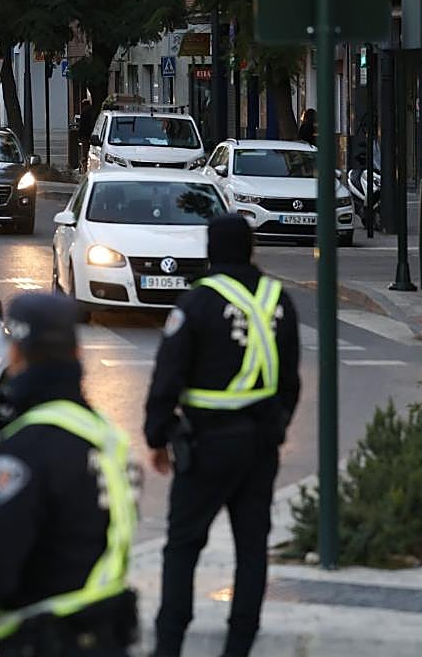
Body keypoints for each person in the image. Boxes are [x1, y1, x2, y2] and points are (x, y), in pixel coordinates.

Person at [0, 292, 139, 657]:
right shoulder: (107, 438)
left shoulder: (25, 451)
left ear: (15, 356)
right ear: (78, 355)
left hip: (49, 640)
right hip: (107, 634)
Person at [144, 214, 301, 657]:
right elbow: (290, 380)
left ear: (210, 250)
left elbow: (167, 376)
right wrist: (276, 427)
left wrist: (158, 436)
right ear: (251, 250)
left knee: (183, 547)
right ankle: (238, 646)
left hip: (206, 445)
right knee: (252, 549)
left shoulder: (197, 303)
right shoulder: (279, 301)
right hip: (260, 446)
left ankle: (169, 645)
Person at [77, 95, 98, 170]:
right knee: (90, 150)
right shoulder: (91, 110)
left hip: (85, 134)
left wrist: (79, 135)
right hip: (90, 133)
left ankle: (85, 167)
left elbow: (82, 125)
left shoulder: (84, 112)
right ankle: (86, 165)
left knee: (85, 151)